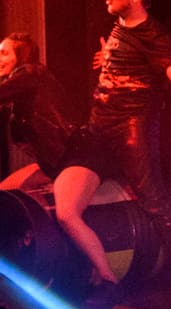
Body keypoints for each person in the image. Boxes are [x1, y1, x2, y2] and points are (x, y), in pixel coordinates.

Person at [73, 0, 171, 283]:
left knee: (152, 195)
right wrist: (109, 57)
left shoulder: (154, 35)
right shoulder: (120, 26)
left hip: (131, 126)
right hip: (99, 121)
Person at [0, 31, 117, 285]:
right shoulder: (19, 89)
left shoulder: (31, 73)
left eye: (4, 53)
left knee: (67, 214)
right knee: (5, 193)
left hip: (79, 153)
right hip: (55, 162)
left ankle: (107, 277)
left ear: (21, 56)